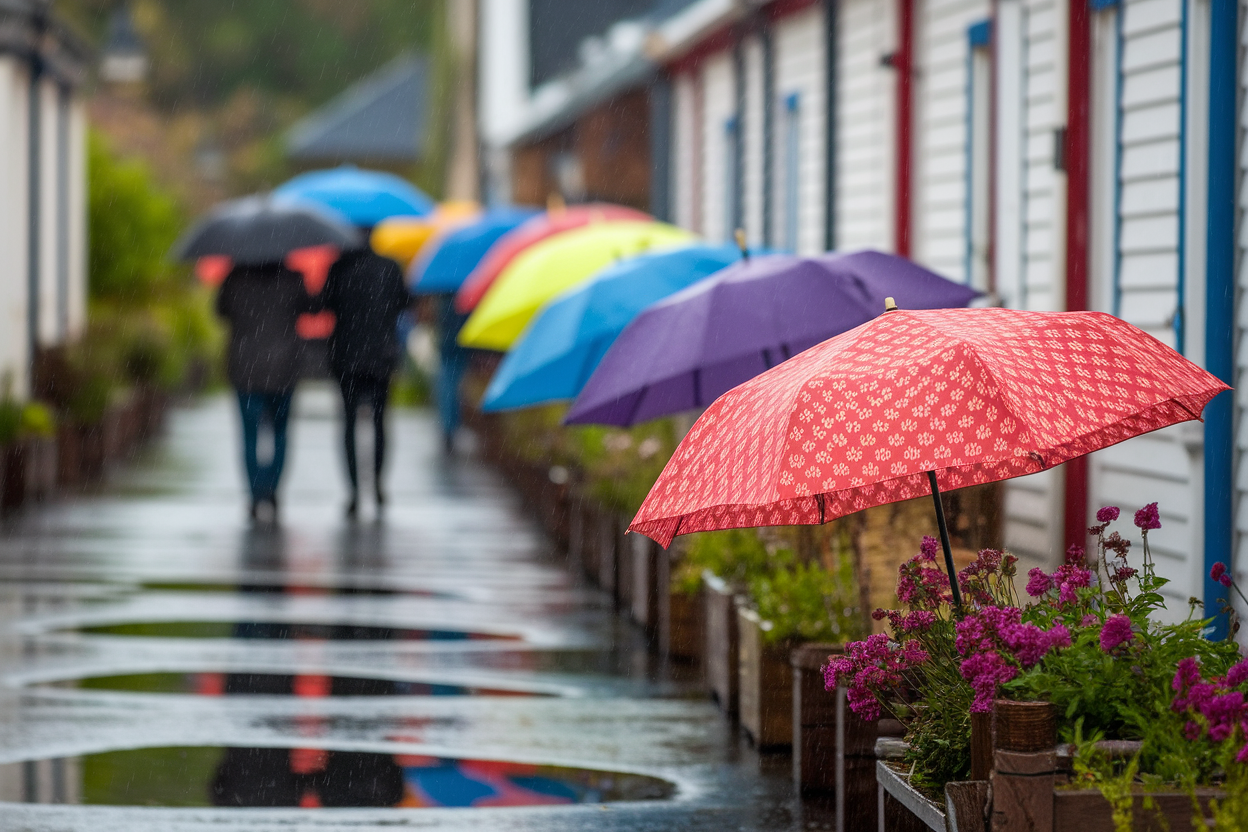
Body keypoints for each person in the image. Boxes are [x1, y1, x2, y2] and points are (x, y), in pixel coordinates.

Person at [215, 262, 319, 520]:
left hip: (246, 367)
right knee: (280, 432)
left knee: (250, 435)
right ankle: (272, 489)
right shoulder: (293, 278)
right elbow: (312, 307)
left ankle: (254, 494)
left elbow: (220, 311)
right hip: (284, 368)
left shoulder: (236, 278)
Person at [319, 244, 412, 517]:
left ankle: (354, 491)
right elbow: (405, 303)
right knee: (380, 422)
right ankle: (379, 484)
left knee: (348, 423)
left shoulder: (339, 268)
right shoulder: (389, 267)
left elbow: (323, 303)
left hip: (347, 356)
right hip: (381, 356)